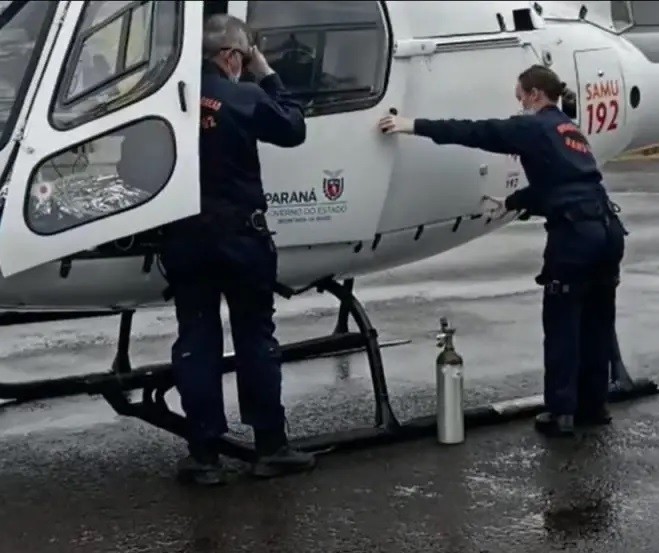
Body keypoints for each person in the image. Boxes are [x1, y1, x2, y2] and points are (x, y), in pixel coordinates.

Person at [377, 64, 627, 437]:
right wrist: (511, 200)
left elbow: (476, 132)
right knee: (597, 322)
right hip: (608, 232)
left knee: (562, 325)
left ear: (535, 94)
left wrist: (413, 125)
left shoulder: (532, 127)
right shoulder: (568, 130)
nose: (519, 104)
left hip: (575, 238)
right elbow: (558, 186)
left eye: (520, 97)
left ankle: (561, 413)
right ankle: (594, 406)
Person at [159, 13, 316, 485]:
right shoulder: (245, 95)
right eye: (244, 59)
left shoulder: (166, 100)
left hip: (185, 238)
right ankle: (270, 446)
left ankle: (204, 455)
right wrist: (268, 75)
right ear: (230, 56)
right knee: (254, 340)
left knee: (197, 341)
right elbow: (293, 128)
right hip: (241, 239)